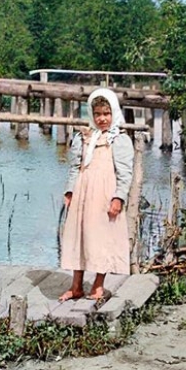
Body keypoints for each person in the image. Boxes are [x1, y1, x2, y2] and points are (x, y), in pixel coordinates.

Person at [58, 87, 133, 303]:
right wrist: (70, 191)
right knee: (79, 236)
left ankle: (98, 286)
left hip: (105, 195)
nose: (102, 119)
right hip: (83, 193)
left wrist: (118, 197)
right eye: (98, 114)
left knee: (103, 238)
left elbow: (125, 173)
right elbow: (75, 167)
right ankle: (76, 286)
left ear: (114, 113)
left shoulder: (119, 139)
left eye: (106, 114)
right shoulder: (84, 137)